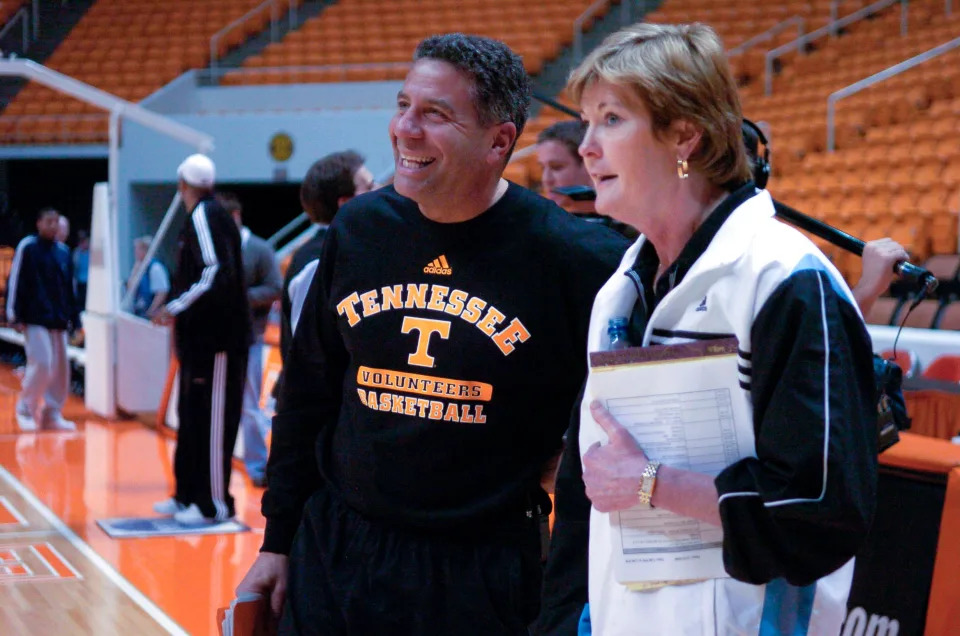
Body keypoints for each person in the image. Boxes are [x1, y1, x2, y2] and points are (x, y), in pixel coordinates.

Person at [236, 33, 628, 634]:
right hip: (338, 551)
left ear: (500, 140)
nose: (405, 129)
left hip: (480, 574)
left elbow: (594, 448)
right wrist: (277, 540)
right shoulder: (360, 228)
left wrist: (564, 600)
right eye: (403, 106)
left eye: (435, 114)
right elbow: (308, 395)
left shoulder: (576, 259)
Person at [565, 23, 877, 634]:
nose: (586, 147)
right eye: (585, 121)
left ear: (684, 136)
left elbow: (819, 510)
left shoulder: (784, 278)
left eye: (610, 119)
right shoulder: (618, 292)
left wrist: (651, 484)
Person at [151, 154, 251, 525]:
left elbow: (214, 271)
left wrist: (174, 307)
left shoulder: (208, 215)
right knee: (191, 418)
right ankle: (186, 496)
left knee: (213, 422)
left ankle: (213, 506)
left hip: (219, 343)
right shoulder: (198, 219)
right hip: (198, 343)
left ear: (183, 184)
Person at [282, 150, 375, 364]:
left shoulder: (352, 249)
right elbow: (308, 352)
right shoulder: (316, 261)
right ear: (346, 203)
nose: (378, 191)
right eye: (369, 187)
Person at [218, 191, 283, 488]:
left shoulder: (259, 249)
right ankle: (229, 463)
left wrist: (238, 299)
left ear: (234, 218)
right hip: (222, 338)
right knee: (225, 404)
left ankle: (259, 467)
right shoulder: (220, 249)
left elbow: (274, 287)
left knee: (250, 404)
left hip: (252, 337)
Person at [6, 207, 79, 432]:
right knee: (43, 363)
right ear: (38, 223)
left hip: (58, 320)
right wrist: (13, 314)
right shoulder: (28, 247)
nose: (53, 226)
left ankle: (52, 414)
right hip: (34, 317)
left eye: (56, 222)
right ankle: (25, 408)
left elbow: (69, 289)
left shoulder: (64, 252)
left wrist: (76, 320)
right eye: (49, 221)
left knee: (59, 369)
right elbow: (16, 280)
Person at [536, 121, 638, 240]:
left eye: (557, 167)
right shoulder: (545, 225)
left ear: (589, 164)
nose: (546, 179)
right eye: (542, 168)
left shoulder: (633, 227)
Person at [128, 235, 170, 319]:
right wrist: (134, 272)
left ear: (145, 250)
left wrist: (151, 310)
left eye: (137, 249)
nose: (135, 252)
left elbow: (162, 292)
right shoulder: (138, 267)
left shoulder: (155, 268)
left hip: (151, 314)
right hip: (139, 312)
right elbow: (130, 289)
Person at [72, 230, 90, 313]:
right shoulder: (77, 253)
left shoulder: (91, 253)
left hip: (89, 283)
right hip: (80, 283)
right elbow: (74, 269)